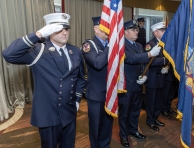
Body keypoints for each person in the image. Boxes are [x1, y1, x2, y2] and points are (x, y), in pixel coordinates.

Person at [2, 13, 86, 148]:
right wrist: (38, 34)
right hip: (48, 113)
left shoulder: (75, 51)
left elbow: (81, 78)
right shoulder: (38, 50)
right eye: (59, 29)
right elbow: (8, 55)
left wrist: (76, 100)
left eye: (66, 29)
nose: (64, 33)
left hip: (69, 111)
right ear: (50, 31)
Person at [118, 19, 161, 147]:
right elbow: (130, 59)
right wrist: (149, 54)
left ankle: (133, 130)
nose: (136, 32)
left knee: (135, 111)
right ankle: (123, 135)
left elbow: (144, 64)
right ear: (125, 32)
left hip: (138, 83)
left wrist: (145, 76)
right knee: (125, 112)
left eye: (137, 29)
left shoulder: (138, 45)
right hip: (126, 85)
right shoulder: (121, 46)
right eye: (133, 30)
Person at [82, 16, 113, 148]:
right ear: (96, 29)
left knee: (107, 124)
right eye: (103, 27)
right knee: (96, 126)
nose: (107, 30)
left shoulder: (111, 44)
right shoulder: (89, 45)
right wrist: (109, 48)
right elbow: (97, 63)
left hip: (110, 92)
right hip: (96, 93)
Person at [144, 22, 167, 131]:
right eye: (162, 31)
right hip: (152, 78)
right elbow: (149, 61)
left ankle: (155, 118)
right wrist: (164, 61)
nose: (164, 32)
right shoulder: (150, 44)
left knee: (158, 100)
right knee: (151, 101)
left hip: (161, 77)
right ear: (155, 32)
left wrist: (166, 66)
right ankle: (150, 120)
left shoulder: (164, 43)